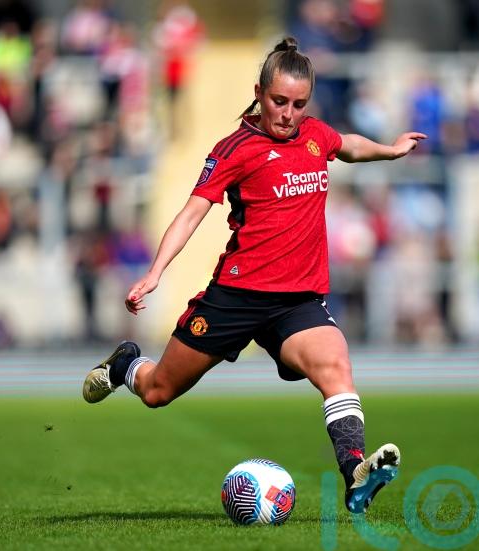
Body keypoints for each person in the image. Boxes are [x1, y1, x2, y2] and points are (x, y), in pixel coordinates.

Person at [81, 37, 426, 514]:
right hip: (236, 297)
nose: (288, 114)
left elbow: (346, 145)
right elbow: (190, 214)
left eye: (299, 105)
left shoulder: (313, 134)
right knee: (159, 391)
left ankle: (355, 475)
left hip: (297, 301)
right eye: (279, 101)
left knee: (336, 368)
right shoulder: (235, 149)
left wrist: (389, 150)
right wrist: (155, 273)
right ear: (260, 93)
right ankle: (125, 366)